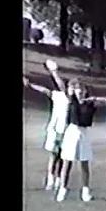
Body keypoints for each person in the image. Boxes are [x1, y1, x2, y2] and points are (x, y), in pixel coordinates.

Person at [56, 81, 106, 202]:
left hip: (84, 132)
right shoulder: (71, 100)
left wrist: (92, 99)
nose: (80, 91)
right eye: (77, 89)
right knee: (67, 162)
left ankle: (85, 191)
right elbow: (62, 88)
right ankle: (63, 189)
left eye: (82, 89)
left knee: (84, 163)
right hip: (72, 131)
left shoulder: (90, 103)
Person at [22, 59, 72, 191]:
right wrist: (31, 85)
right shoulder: (58, 96)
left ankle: (59, 179)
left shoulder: (72, 99)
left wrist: (54, 72)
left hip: (66, 130)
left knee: (63, 156)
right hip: (55, 129)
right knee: (53, 155)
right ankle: (50, 179)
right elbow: (45, 91)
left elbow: (61, 86)